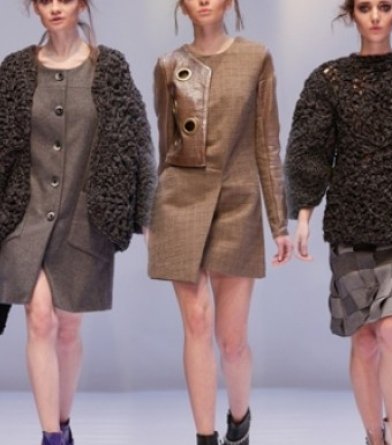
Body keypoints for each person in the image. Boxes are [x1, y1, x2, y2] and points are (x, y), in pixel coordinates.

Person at [285, 1, 392, 444]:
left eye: (385, 6)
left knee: (391, 327)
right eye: (365, 7)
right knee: (363, 339)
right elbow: (310, 150)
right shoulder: (329, 80)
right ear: (352, 14)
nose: (376, 16)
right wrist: (303, 215)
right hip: (352, 222)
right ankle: (373, 436)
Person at [0, 1, 156, 444]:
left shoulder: (109, 69)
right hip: (25, 214)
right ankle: (50, 437)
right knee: (40, 319)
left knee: (68, 328)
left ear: (82, 4)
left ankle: (64, 424)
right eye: (44, 0)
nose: (54, 8)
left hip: (85, 217)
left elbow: (138, 142)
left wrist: (147, 217)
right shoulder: (15, 70)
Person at [147, 1, 291, 444]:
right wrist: (153, 215)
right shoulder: (168, 65)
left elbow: (267, 143)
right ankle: (204, 438)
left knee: (231, 340)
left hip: (237, 204)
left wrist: (279, 223)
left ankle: (239, 422)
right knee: (196, 323)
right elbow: (166, 146)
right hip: (180, 204)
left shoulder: (255, 57)